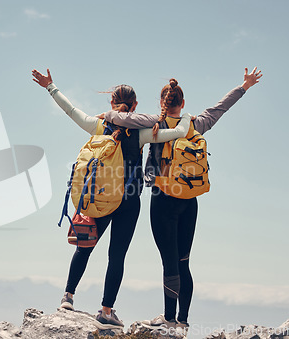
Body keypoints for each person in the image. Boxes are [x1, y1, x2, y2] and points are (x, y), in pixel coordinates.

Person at [102, 67, 263, 330]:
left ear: (162, 103)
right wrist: (244, 86)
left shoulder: (154, 123)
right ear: (183, 103)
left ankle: (168, 318)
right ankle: (183, 322)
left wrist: (107, 113)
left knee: (169, 261)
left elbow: (119, 119)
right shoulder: (196, 124)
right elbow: (221, 108)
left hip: (163, 197)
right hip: (190, 200)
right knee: (183, 262)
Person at [32, 68, 193, 330]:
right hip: (128, 202)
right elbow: (177, 133)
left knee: (84, 247)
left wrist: (51, 87)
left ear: (111, 103)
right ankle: (106, 310)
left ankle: (68, 297)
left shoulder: (99, 125)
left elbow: (71, 111)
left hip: (100, 198)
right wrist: (183, 119)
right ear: (136, 105)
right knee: (116, 256)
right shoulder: (142, 133)